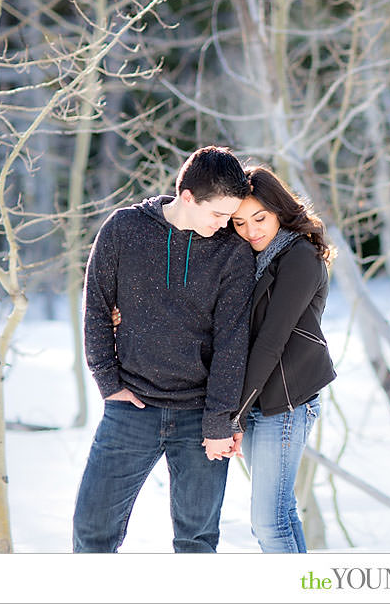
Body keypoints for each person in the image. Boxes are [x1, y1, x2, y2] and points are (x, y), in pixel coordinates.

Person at [73, 145, 255, 553]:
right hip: (131, 408)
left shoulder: (232, 251)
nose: (227, 224)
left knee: (197, 541)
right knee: (92, 532)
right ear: (188, 197)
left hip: (200, 416)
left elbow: (232, 341)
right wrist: (108, 382)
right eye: (219, 214)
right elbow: (97, 308)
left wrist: (218, 420)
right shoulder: (124, 230)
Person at [226, 165, 336, 553]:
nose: (252, 230)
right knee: (281, 512)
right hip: (259, 399)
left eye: (260, 218)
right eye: (239, 222)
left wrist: (232, 414)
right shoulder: (252, 258)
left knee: (267, 522)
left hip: (286, 403)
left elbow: (272, 340)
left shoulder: (300, 256)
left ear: (279, 210)